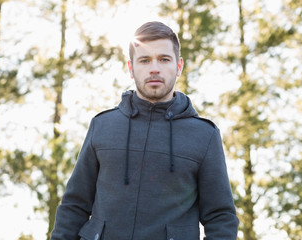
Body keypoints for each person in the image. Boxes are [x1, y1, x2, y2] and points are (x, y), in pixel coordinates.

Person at [51, 21, 239, 240]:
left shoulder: (204, 135)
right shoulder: (102, 126)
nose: (154, 68)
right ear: (131, 68)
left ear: (178, 67)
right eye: (145, 60)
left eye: (164, 59)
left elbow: (221, 217)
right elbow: (75, 205)